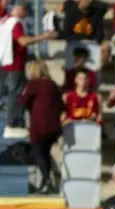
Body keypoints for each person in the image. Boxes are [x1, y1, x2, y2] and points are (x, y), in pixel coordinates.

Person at [0, 2, 57, 139]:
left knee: (16, 92)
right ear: (21, 10)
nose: (26, 15)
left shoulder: (6, 19)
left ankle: (14, 123)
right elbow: (22, 41)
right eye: (26, 12)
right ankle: (13, 124)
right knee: (17, 93)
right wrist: (44, 37)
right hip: (14, 65)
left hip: (7, 62)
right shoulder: (15, 23)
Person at [18, 61, 64, 193]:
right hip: (53, 126)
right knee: (45, 153)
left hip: (39, 124)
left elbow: (22, 101)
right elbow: (61, 105)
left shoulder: (34, 84)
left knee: (38, 152)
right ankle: (45, 184)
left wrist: (22, 93)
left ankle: (47, 180)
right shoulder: (53, 84)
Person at [61, 0, 110, 66]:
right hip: (76, 44)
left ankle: (98, 70)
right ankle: (78, 71)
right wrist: (82, 39)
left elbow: (100, 34)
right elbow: (67, 35)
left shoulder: (96, 14)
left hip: (92, 43)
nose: (90, 1)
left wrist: (93, 41)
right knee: (80, 55)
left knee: (106, 47)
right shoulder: (70, 13)